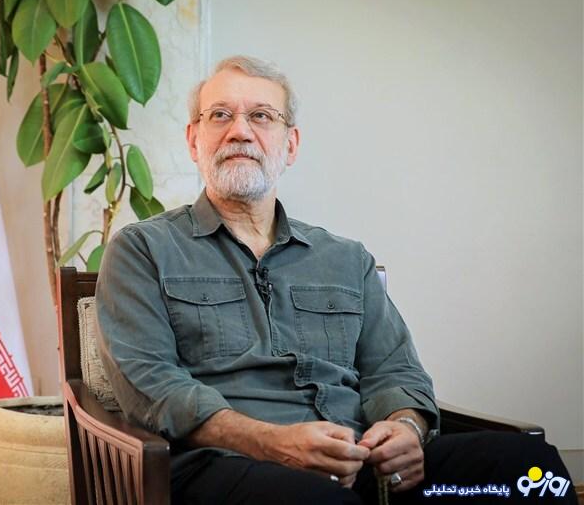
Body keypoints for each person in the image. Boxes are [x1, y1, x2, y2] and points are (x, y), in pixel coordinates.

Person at [94, 56, 575, 504]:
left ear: (291, 145)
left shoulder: (346, 259)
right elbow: (151, 386)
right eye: (220, 115)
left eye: (261, 116)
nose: (239, 131)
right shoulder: (142, 250)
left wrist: (406, 428)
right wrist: (271, 442)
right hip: (224, 466)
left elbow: (396, 371)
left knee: (530, 468)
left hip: (361, 464)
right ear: (193, 140)